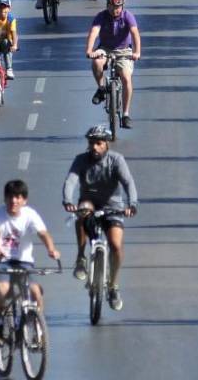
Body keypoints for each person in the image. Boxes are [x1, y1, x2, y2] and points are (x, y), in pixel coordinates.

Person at [62, 126, 137, 310]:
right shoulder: (81, 160)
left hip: (113, 208)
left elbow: (128, 182)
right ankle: (81, 258)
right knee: (82, 210)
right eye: (91, 143)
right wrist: (67, 200)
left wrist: (132, 204)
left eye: (98, 143)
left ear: (106, 144)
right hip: (89, 202)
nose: (94, 147)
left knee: (116, 245)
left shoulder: (116, 160)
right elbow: (70, 181)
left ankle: (113, 286)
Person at [0, 179, 59, 346]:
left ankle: (37, 326)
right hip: (0, 260)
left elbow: (43, 233)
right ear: (4, 198)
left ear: (24, 200)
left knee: (35, 292)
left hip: (23, 261)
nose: (13, 201)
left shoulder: (30, 214)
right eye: (10, 197)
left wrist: (51, 249)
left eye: (18, 197)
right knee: (2, 290)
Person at [87, 0, 141, 126]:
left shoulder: (127, 16)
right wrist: (90, 50)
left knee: (126, 78)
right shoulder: (101, 16)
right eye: (112, 6)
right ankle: (101, 89)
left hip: (123, 51)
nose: (114, 9)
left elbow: (135, 34)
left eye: (117, 6)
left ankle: (125, 115)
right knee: (96, 63)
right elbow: (94, 32)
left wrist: (137, 52)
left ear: (122, 6)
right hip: (105, 48)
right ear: (107, 5)